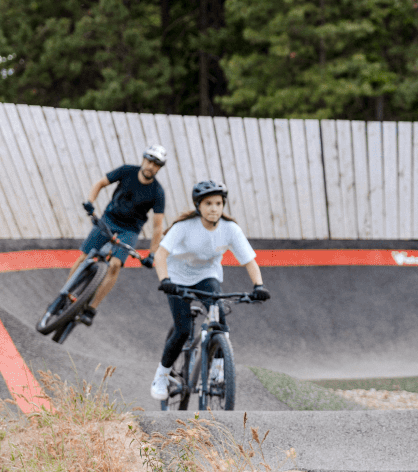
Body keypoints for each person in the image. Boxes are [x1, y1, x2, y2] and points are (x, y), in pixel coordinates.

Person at [150, 180, 270, 401]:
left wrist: (259, 286)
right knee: (183, 329)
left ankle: (218, 371)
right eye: (208, 204)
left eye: (218, 203)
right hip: (177, 278)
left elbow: (249, 260)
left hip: (206, 276)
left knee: (220, 321)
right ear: (198, 206)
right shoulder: (184, 227)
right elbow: (160, 254)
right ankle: (162, 375)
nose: (214, 208)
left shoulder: (230, 229)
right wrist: (165, 280)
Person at [69, 145, 168, 325]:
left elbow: (157, 227)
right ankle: (66, 292)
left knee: (115, 265)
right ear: (143, 159)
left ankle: (91, 309)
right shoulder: (127, 171)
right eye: (149, 161)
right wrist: (90, 202)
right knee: (84, 256)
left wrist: (152, 254)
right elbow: (100, 183)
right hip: (108, 220)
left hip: (129, 230)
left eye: (156, 165)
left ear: (159, 168)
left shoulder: (157, 192)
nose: (151, 166)